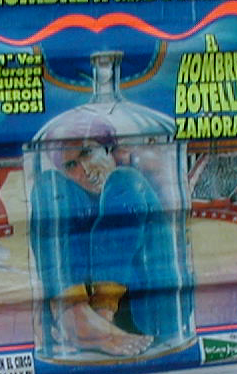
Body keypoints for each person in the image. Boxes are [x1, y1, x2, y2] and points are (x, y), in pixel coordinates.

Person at [29, 108, 190, 360]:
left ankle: (96, 319)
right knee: (46, 184)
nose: (85, 169)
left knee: (123, 180)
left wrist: (101, 315)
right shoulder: (71, 198)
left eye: (87, 153)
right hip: (85, 314)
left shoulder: (131, 180)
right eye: (71, 165)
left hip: (151, 314)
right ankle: (74, 314)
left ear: (108, 150)